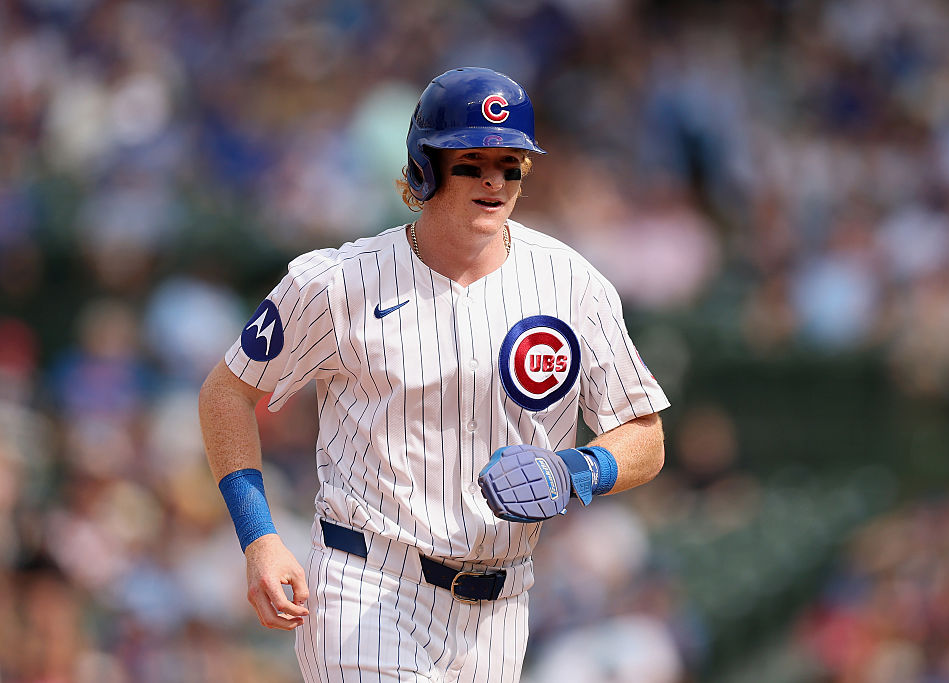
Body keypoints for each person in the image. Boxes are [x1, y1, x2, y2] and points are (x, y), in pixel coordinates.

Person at [198, 66, 670, 683]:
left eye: (509, 164)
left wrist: (577, 468)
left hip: (501, 609)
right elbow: (226, 393)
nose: (494, 180)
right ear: (426, 167)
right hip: (366, 584)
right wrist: (259, 536)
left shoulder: (572, 285)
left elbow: (646, 436)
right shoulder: (340, 282)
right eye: (472, 161)